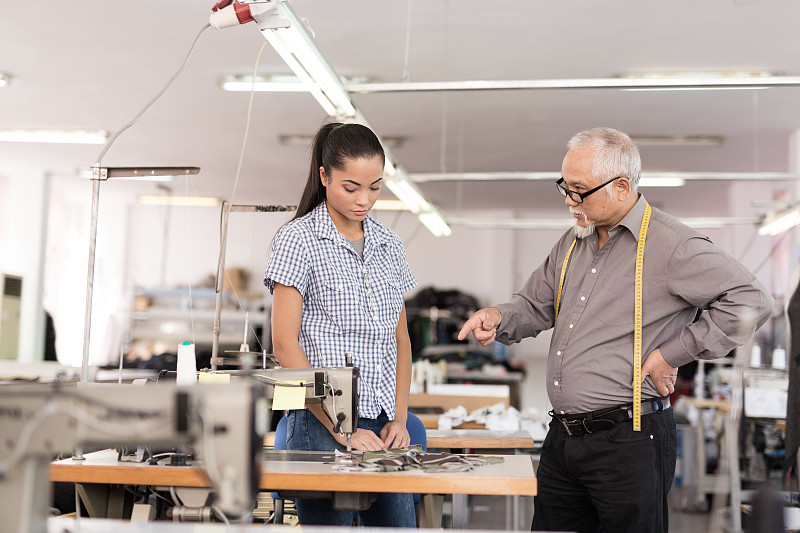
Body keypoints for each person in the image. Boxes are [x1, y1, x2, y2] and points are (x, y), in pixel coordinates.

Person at [458, 127, 774, 533]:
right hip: (564, 438)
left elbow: (751, 299)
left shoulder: (672, 245)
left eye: (580, 190)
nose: (570, 202)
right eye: (565, 188)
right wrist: (499, 317)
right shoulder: (573, 243)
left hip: (629, 440)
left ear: (621, 186)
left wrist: (671, 353)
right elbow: (535, 305)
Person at [264, 122, 417, 527]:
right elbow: (285, 345)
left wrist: (400, 417)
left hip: (383, 423)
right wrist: (343, 428)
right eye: (351, 187)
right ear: (324, 176)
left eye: (375, 187)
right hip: (320, 421)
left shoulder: (390, 244)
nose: (364, 199)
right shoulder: (298, 239)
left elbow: (400, 342)